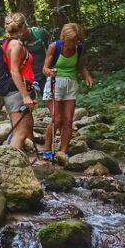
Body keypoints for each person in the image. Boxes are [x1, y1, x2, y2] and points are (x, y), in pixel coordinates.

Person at [43, 22, 94, 157]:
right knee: (57, 119)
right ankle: (47, 149)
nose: (73, 44)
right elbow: (44, 69)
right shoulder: (54, 47)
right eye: (71, 41)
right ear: (64, 37)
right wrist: (50, 72)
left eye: (76, 40)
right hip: (55, 83)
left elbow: (81, 66)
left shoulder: (79, 48)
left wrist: (87, 76)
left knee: (69, 120)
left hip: (71, 84)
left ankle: (63, 151)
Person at [2, 13, 38, 149]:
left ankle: (28, 162)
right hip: (17, 92)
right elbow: (14, 71)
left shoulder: (7, 44)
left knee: (27, 129)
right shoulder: (16, 45)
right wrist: (25, 96)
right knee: (20, 133)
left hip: (15, 91)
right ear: (23, 26)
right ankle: (10, 165)